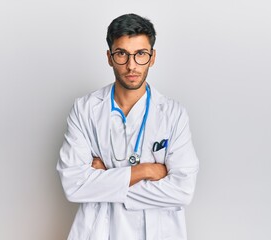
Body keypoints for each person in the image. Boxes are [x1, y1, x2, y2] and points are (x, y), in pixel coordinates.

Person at [57, 13, 199, 240]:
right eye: (122, 54)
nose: (131, 65)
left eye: (140, 54)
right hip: (100, 231)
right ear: (109, 57)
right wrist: (144, 171)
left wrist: (107, 179)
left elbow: (182, 191)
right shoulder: (84, 109)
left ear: (152, 58)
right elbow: (74, 185)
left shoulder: (173, 114)